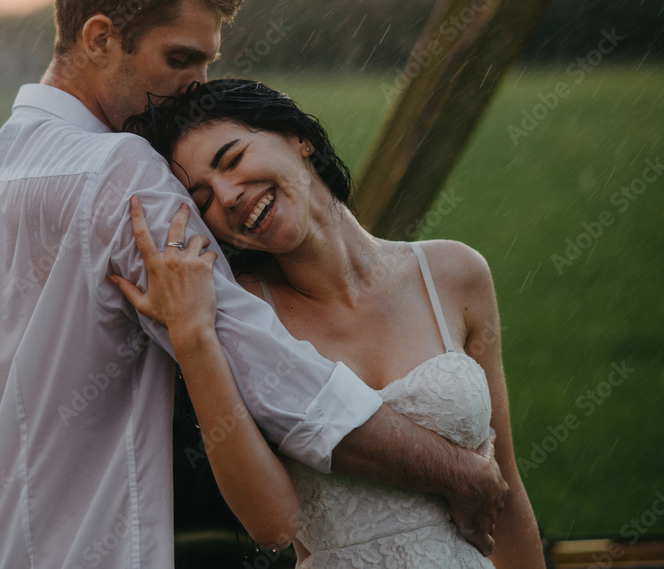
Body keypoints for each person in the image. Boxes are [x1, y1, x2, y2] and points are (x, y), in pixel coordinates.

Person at [0, 0, 507, 567]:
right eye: (179, 59)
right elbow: (279, 382)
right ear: (100, 38)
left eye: (206, 62)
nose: (195, 88)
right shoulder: (122, 173)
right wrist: (464, 473)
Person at [114, 78, 544, 567]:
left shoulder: (455, 274)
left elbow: (504, 486)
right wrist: (192, 340)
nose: (228, 195)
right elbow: (272, 524)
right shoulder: (242, 319)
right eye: (203, 198)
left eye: (232, 159)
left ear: (300, 139)